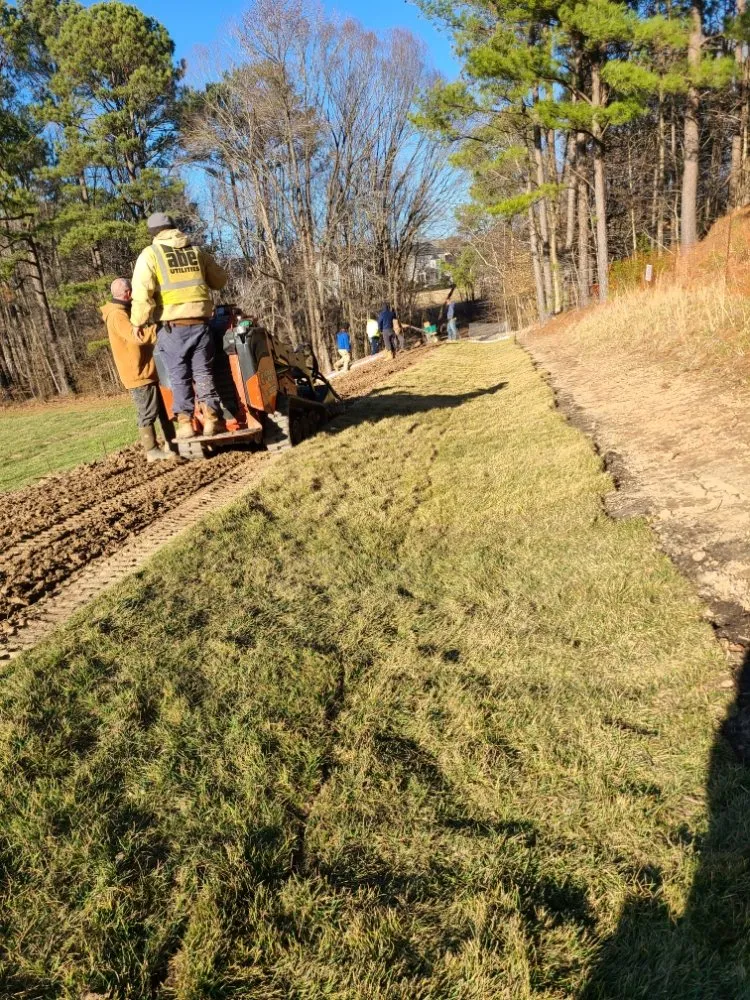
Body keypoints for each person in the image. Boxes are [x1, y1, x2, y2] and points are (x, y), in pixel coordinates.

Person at [130, 212, 228, 440]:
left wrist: (138, 321)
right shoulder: (196, 252)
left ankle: (185, 424)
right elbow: (220, 281)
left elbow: (142, 293)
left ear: (153, 233)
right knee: (203, 373)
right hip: (201, 326)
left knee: (179, 376)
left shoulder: (150, 255)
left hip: (173, 328)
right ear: (174, 227)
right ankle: (212, 419)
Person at [100, 278, 175, 462]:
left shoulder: (124, 311)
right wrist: (160, 330)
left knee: (165, 408)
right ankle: (152, 451)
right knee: (147, 412)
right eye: (133, 292)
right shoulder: (118, 315)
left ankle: (172, 444)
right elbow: (137, 337)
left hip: (148, 369)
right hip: (138, 373)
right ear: (127, 294)